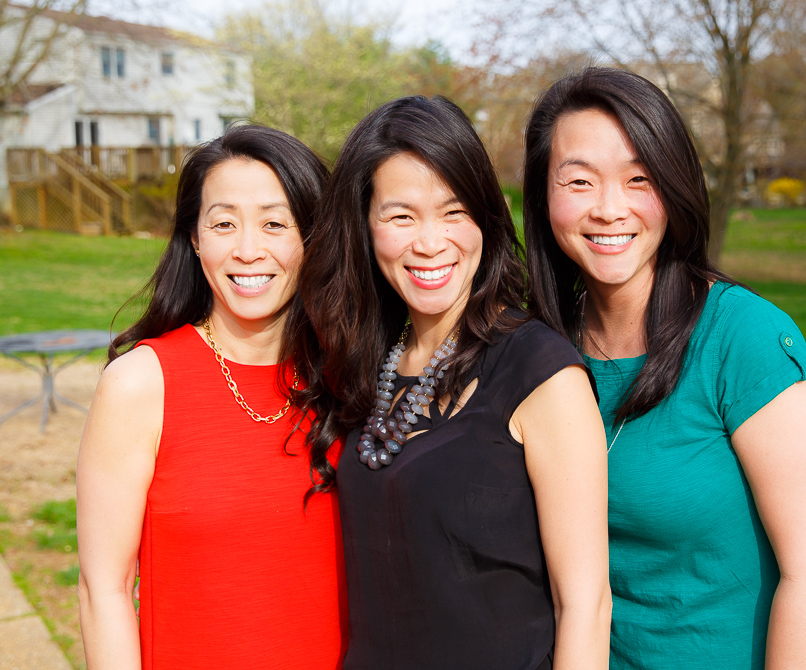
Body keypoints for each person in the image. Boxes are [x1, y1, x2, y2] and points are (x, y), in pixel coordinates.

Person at [522, 66, 806, 669]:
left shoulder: (742, 338)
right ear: (543, 196)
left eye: (639, 179)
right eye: (580, 181)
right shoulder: (537, 347)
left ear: (674, 188)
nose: (609, 209)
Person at [285, 95, 612, 669]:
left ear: (485, 217)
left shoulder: (541, 372)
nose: (431, 243)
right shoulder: (365, 363)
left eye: (454, 212)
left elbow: (585, 604)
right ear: (364, 226)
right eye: (401, 217)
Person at [76, 125, 347, 669]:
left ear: (313, 237)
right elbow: (103, 589)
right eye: (224, 223)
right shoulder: (141, 384)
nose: (248, 250)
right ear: (195, 238)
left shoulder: (350, 377)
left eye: (274, 224)